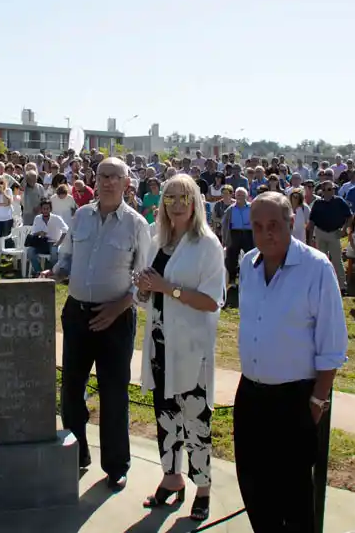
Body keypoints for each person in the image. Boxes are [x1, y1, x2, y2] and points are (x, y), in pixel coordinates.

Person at [234, 192, 348, 533]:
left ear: (292, 223)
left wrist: (316, 401)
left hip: (295, 399)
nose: (266, 233)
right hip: (251, 395)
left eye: (274, 225)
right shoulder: (248, 265)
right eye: (257, 226)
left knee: (295, 498)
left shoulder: (316, 268)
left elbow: (332, 344)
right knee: (253, 487)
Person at [44, 157, 151, 491]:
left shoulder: (136, 225)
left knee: (114, 393)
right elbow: (68, 258)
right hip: (77, 314)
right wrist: (56, 272)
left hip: (116, 319)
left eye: (114, 177)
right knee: (71, 390)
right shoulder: (80, 215)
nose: (107, 182)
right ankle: (78, 455)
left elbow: (144, 282)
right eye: (102, 176)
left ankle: (116, 465)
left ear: (126, 183)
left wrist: (121, 304)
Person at [135, 174, 224, 522]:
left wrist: (166, 287)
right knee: (166, 416)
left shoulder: (207, 245)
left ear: (195, 201)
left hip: (191, 348)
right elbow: (149, 292)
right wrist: (143, 290)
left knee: (196, 421)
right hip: (160, 346)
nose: (175, 204)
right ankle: (171, 479)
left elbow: (211, 301)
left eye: (182, 197)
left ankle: (202, 487)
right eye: (169, 197)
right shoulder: (158, 241)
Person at [308, 180, 352, 294]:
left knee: (337, 260)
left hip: (334, 233)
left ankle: (342, 286)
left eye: (330, 189)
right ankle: (322, 284)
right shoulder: (318, 203)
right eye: (325, 189)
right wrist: (309, 239)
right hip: (320, 233)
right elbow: (311, 222)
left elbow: (349, 216)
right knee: (321, 260)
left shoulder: (339, 201)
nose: (328, 192)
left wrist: (344, 230)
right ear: (321, 191)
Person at [221, 188, 254, 289]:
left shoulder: (252, 207)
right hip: (234, 234)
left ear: (246, 196)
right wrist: (225, 238)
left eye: (242, 195)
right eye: (238, 195)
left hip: (249, 234)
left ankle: (251, 278)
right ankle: (232, 280)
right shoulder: (230, 209)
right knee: (232, 258)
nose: (239, 197)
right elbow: (224, 224)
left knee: (251, 257)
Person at [26, 198, 69, 274]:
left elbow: (66, 230)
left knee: (54, 251)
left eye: (47, 208)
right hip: (41, 243)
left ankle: (52, 272)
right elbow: (33, 233)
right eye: (44, 209)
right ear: (41, 209)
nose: (45, 210)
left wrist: (59, 242)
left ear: (50, 209)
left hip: (53, 242)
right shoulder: (37, 218)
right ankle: (39, 271)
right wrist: (40, 233)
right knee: (30, 251)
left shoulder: (56, 218)